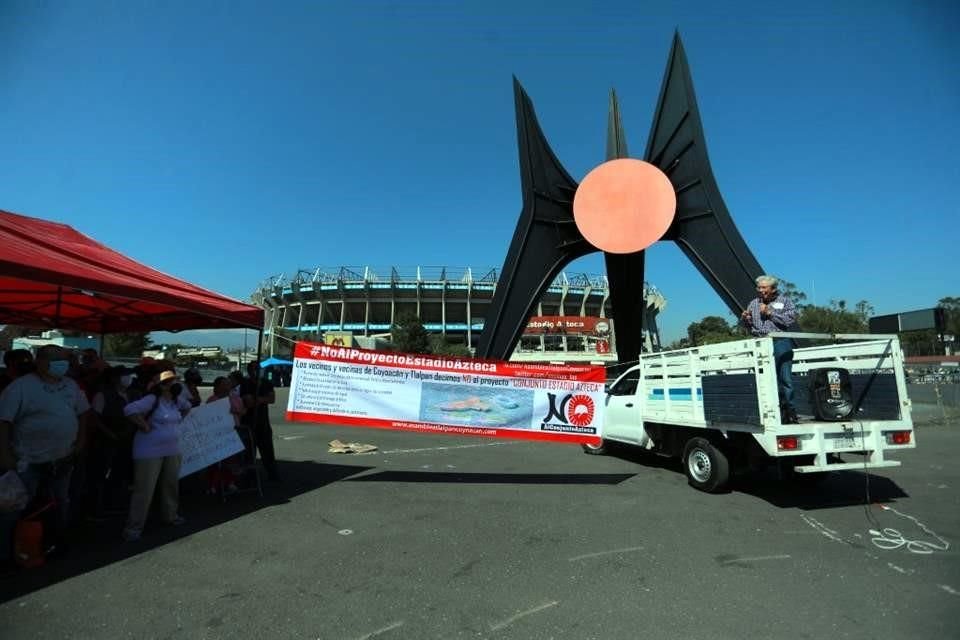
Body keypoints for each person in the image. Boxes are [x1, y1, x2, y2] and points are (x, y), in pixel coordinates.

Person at [0, 345, 90, 568]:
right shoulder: (20, 387)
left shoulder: (69, 385)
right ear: (40, 362)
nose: (63, 364)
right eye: (56, 359)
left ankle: (54, 542)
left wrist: (80, 441)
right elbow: (3, 422)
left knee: (60, 501)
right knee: (17, 505)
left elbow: (84, 413)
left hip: (62, 457)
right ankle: (8, 553)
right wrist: (5, 454)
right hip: (28, 461)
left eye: (64, 360)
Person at [121, 369, 192, 541]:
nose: (174, 385)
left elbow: (188, 407)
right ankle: (134, 526)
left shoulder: (176, 401)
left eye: (175, 381)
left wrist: (176, 424)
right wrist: (144, 425)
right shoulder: (152, 400)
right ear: (161, 386)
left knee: (170, 485)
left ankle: (170, 515)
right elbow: (129, 410)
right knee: (144, 489)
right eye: (169, 382)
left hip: (172, 449)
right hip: (148, 451)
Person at [740, 275, 799, 424]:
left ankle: (790, 412)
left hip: (780, 341)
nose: (760, 290)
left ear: (773, 289)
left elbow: (790, 319)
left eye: (764, 287)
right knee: (763, 379)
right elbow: (749, 327)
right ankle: (769, 412)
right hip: (760, 342)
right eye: (759, 287)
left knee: (785, 379)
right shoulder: (753, 303)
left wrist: (770, 313)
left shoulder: (785, 301)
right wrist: (745, 320)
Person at [204, 376, 246, 495]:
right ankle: (213, 484)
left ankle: (230, 482)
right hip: (217, 434)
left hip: (233, 432)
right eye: (224, 384)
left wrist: (236, 411)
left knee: (231, 459)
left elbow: (243, 411)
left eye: (228, 384)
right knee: (215, 460)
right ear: (217, 387)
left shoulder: (235, 398)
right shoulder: (212, 399)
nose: (228, 386)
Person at [240, 362, 280, 482]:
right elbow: (248, 402)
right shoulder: (245, 383)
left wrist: (260, 399)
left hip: (263, 423)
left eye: (258, 369)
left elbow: (272, 399)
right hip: (248, 423)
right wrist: (260, 399)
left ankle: (273, 475)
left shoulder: (266, 383)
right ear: (249, 371)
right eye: (254, 369)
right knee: (249, 453)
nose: (256, 371)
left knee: (267, 451)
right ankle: (250, 478)